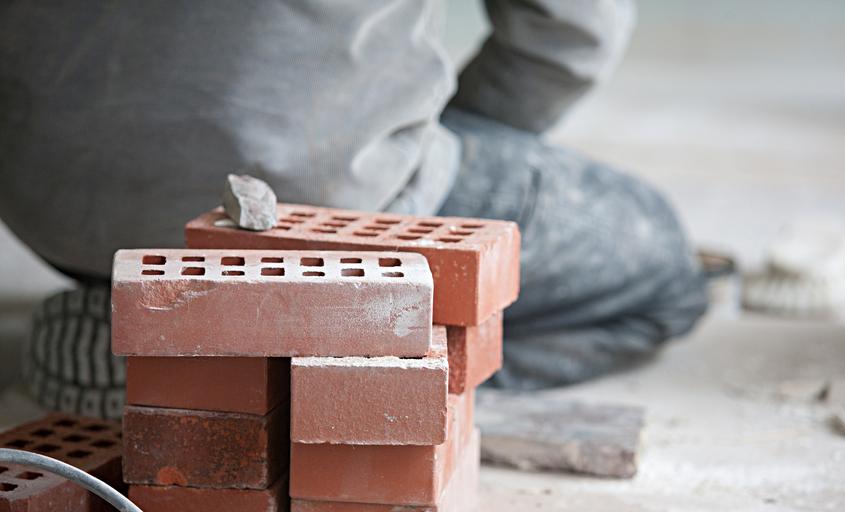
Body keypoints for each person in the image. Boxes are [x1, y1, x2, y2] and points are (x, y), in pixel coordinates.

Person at [0, 0, 707, 418]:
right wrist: (429, 143)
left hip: (47, 204)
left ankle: (160, 326)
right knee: (663, 266)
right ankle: (320, 376)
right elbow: (568, 31)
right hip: (323, 186)